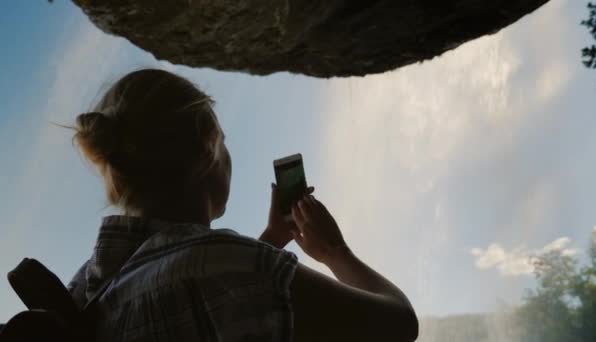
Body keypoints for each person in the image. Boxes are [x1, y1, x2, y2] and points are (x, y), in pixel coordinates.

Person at [64, 69, 418, 342]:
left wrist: (270, 239)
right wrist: (335, 251)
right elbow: (399, 324)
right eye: (224, 141)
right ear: (207, 150)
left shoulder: (87, 282)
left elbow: (200, 284)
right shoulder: (230, 266)